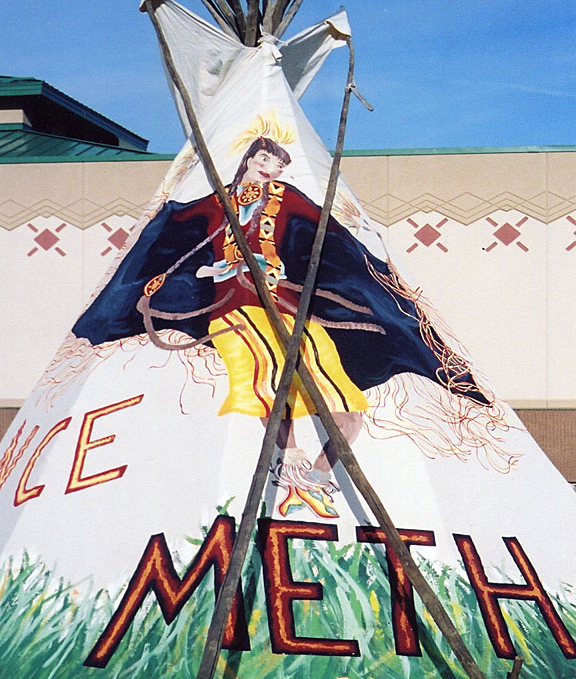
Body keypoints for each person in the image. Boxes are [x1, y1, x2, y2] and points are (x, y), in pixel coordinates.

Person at [73, 134, 490, 516]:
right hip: (234, 303)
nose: (268, 165)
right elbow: (178, 225)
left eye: (276, 162)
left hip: (285, 303)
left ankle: (317, 476)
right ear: (249, 159)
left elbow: (330, 234)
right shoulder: (217, 201)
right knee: (264, 377)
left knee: (347, 405)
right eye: (263, 157)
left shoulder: (286, 197)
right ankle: (288, 460)